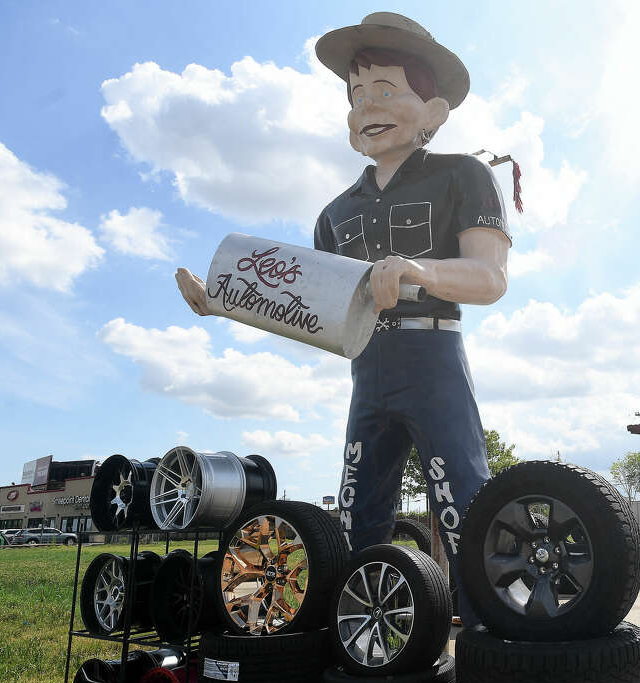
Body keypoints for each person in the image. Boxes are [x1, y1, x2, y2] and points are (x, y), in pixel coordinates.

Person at [176, 12, 510, 627]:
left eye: (386, 91)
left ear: (433, 111)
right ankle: (362, 622)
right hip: (366, 366)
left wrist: (420, 271)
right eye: (356, 96)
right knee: (359, 506)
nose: (367, 108)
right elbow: (313, 307)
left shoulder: (464, 175)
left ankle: (485, 618)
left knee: (460, 489)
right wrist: (224, 301)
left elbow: (490, 278)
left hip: (433, 357)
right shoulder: (335, 212)